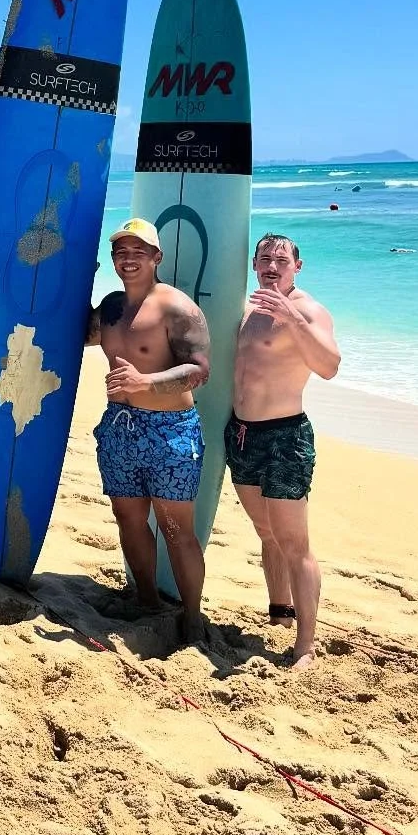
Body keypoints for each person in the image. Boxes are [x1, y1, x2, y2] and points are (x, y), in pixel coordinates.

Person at [87, 218, 211, 642]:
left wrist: (147, 383)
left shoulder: (178, 308)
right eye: (121, 251)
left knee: (176, 528)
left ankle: (192, 616)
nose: (128, 258)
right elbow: (73, 332)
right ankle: (146, 600)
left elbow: (200, 370)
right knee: (128, 518)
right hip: (120, 428)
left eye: (139, 251)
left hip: (170, 430)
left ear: (157, 257)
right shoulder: (110, 307)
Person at [227, 234, 342, 668]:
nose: (271, 266)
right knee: (266, 533)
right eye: (264, 259)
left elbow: (330, 366)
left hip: (284, 437)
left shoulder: (309, 310)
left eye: (281, 260)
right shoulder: (249, 307)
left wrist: (293, 318)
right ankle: (280, 612)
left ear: (298, 265)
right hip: (241, 435)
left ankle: (306, 645)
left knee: (295, 543)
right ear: (254, 264)